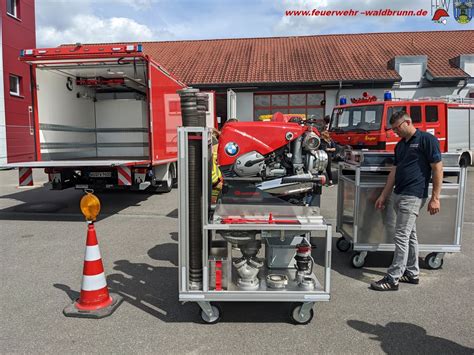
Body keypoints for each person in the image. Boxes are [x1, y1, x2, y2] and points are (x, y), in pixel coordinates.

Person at [371, 111, 443, 291]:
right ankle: (412, 272)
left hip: (414, 195)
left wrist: (435, 198)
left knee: (401, 236)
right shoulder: (400, 145)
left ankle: (393, 278)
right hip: (399, 194)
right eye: (393, 129)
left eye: (397, 128)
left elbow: (437, 168)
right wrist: (384, 195)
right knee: (410, 235)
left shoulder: (427, 140)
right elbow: (394, 172)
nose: (395, 132)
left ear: (408, 122)